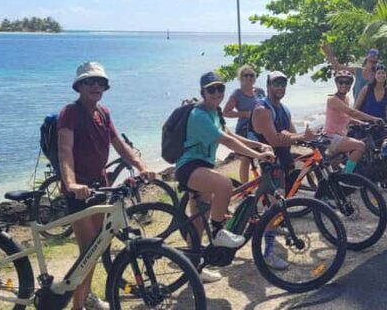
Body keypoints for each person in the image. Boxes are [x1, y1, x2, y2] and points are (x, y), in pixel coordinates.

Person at [57, 61, 157, 310]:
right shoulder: (70, 112)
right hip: (79, 192)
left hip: (100, 186)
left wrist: (142, 166)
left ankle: (86, 297)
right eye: (90, 81)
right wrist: (70, 182)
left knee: (98, 247)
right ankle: (77, 306)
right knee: (88, 251)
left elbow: (120, 146)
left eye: (100, 82)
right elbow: (65, 150)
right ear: (79, 86)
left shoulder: (104, 113)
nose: (96, 86)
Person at [175, 71, 275, 281]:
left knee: (198, 223)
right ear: (203, 91)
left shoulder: (215, 112)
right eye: (211, 89)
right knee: (224, 185)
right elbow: (225, 142)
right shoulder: (198, 115)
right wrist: (258, 155)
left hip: (202, 166)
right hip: (190, 167)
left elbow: (231, 135)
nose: (216, 92)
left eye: (220, 88)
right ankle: (219, 231)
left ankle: (194, 269)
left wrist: (259, 144)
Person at [249, 70, 317, 270]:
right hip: (269, 162)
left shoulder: (284, 109)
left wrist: (309, 137)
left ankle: (272, 224)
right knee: (276, 205)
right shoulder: (262, 109)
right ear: (268, 85)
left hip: (283, 160)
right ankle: (268, 253)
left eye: (283, 84)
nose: (280, 87)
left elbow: (293, 135)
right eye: (276, 83)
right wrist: (301, 136)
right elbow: (275, 139)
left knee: (280, 203)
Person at [324, 70, 383, 174]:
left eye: (347, 82)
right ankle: (348, 176)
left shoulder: (346, 98)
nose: (344, 85)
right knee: (360, 145)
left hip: (340, 136)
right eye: (340, 82)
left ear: (351, 84)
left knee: (335, 169)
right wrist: (373, 118)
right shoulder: (332, 99)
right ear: (336, 83)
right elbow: (351, 112)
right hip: (331, 137)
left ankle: (340, 183)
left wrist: (360, 122)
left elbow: (346, 117)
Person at [223, 65, 266, 183]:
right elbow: (226, 112)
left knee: (264, 157)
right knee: (245, 159)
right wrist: (243, 114)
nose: (249, 78)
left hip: (260, 129)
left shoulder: (260, 91)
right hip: (244, 130)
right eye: (245, 75)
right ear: (240, 78)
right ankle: (245, 189)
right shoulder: (237, 94)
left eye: (251, 75)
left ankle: (265, 186)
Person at [354, 63, 387, 144]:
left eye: (383, 73)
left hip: (379, 127)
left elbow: (386, 110)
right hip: (365, 127)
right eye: (379, 73)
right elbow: (356, 108)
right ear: (375, 75)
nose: (381, 75)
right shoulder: (366, 89)